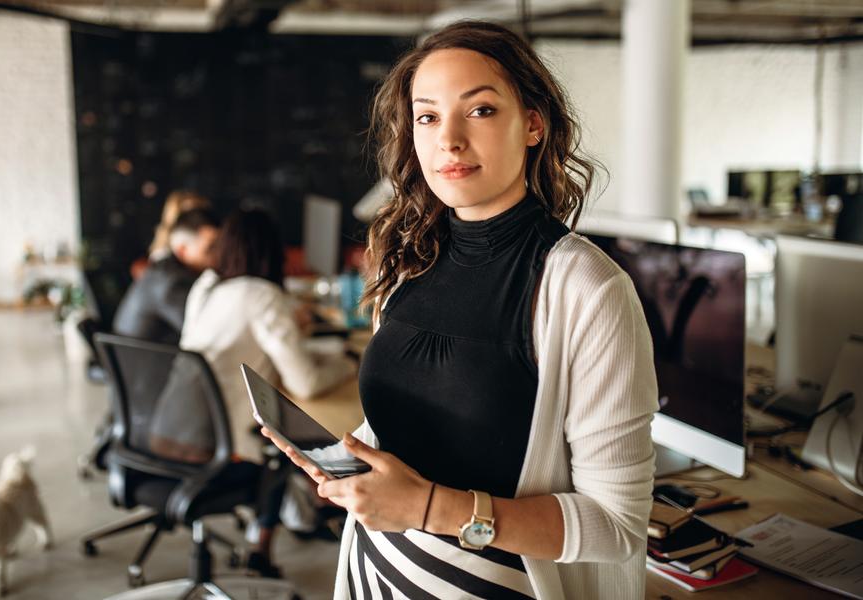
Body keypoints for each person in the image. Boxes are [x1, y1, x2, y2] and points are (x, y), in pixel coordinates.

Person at [262, 20, 658, 600]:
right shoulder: (409, 262)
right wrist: (351, 464)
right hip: (377, 572)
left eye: (479, 111)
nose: (448, 139)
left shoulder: (587, 287)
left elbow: (616, 527)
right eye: (427, 116)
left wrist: (426, 506)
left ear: (532, 124)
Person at [179, 208, 356, 569]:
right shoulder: (262, 295)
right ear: (273, 252)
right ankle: (265, 542)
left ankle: (300, 514)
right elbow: (304, 382)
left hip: (180, 427)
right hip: (228, 442)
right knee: (287, 434)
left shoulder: (208, 288)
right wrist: (349, 362)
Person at [113, 208, 220, 344]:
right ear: (182, 250)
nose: (218, 256)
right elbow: (203, 333)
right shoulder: (172, 283)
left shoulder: (162, 269)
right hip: (149, 363)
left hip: (133, 358)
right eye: (210, 248)